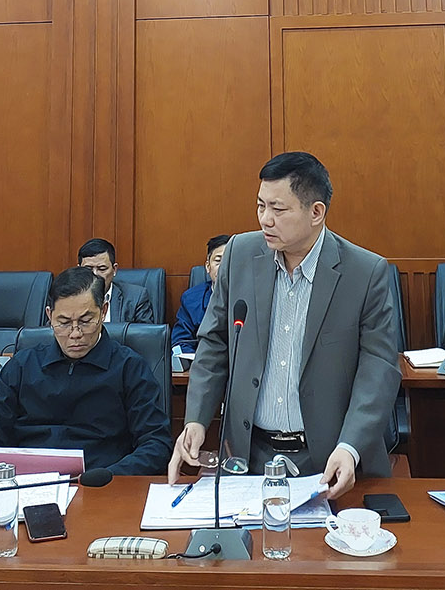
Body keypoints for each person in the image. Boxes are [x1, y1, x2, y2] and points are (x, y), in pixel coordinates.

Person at [168, 151, 401, 500]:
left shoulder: (365, 272)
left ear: (316, 212)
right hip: (247, 456)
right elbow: (215, 342)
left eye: (278, 209)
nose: (265, 219)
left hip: (331, 460)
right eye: (260, 206)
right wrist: (196, 420)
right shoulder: (239, 253)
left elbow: (378, 367)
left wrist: (350, 447)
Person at [0, 266, 171, 474]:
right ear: (49, 316)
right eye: (64, 323)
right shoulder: (22, 366)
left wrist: (109, 477)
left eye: (85, 321)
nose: (75, 334)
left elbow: (156, 444)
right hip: (28, 482)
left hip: (100, 482)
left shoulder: (130, 368)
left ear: (103, 311)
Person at [172, 234, 229, 353]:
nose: (223, 268)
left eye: (229, 261)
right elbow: (180, 342)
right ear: (208, 266)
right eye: (218, 261)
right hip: (202, 362)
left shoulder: (251, 297)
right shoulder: (191, 299)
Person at [77, 238, 154, 323]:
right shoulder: (69, 298)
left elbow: (144, 331)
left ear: (114, 269)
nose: (95, 274)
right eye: (88, 269)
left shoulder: (136, 297)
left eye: (102, 269)